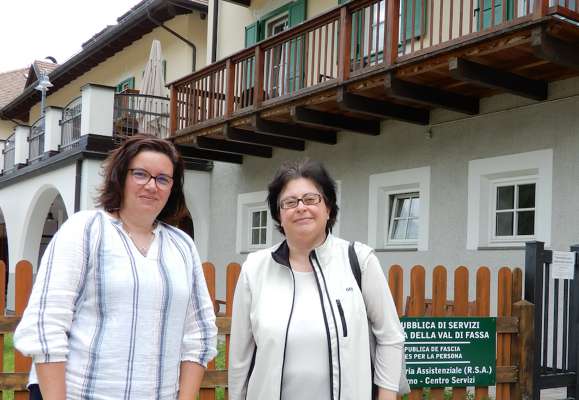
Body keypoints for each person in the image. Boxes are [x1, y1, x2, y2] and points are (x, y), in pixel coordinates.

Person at [14, 135, 217, 400]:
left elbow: (199, 334)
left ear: (172, 189)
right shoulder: (84, 230)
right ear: (120, 176)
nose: (151, 186)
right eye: (141, 174)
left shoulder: (182, 246)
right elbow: (46, 325)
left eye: (163, 179)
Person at [228, 159, 405, 400]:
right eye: (290, 202)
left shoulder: (359, 261)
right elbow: (240, 358)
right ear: (279, 215)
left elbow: (390, 338)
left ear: (328, 208)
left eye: (311, 199)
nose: (301, 207)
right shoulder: (255, 269)